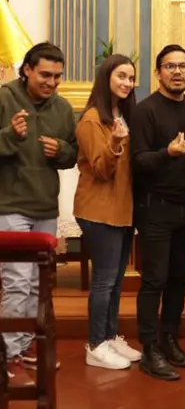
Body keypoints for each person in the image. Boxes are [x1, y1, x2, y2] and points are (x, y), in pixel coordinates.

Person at [0, 42, 77, 383]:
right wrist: (9, 135)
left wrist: (61, 149)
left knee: (36, 285)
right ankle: (9, 354)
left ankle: (27, 344)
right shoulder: (4, 98)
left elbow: (72, 154)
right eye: (45, 74)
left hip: (45, 205)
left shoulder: (61, 108)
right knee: (17, 282)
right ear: (27, 69)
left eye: (58, 76)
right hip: (10, 204)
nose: (51, 82)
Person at [131, 45, 185, 380]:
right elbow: (139, 160)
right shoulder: (145, 110)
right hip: (155, 207)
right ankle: (149, 348)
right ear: (158, 72)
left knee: (178, 279)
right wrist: (167, 153)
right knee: (154, 280)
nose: (177, 72)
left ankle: (169, 338)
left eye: (183, 66)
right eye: (170, 66)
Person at [73, 54, 142, 370]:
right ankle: (95, 344)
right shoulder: (91, 119)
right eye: (121, 76)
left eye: (131, 77)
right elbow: (101, 170)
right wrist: (115, 144)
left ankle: (110, 336)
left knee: (115, 279)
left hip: (121, 208)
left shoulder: (122, 115)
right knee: (103, 280)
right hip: (98, 209)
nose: (127, 82)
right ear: (106, 78)